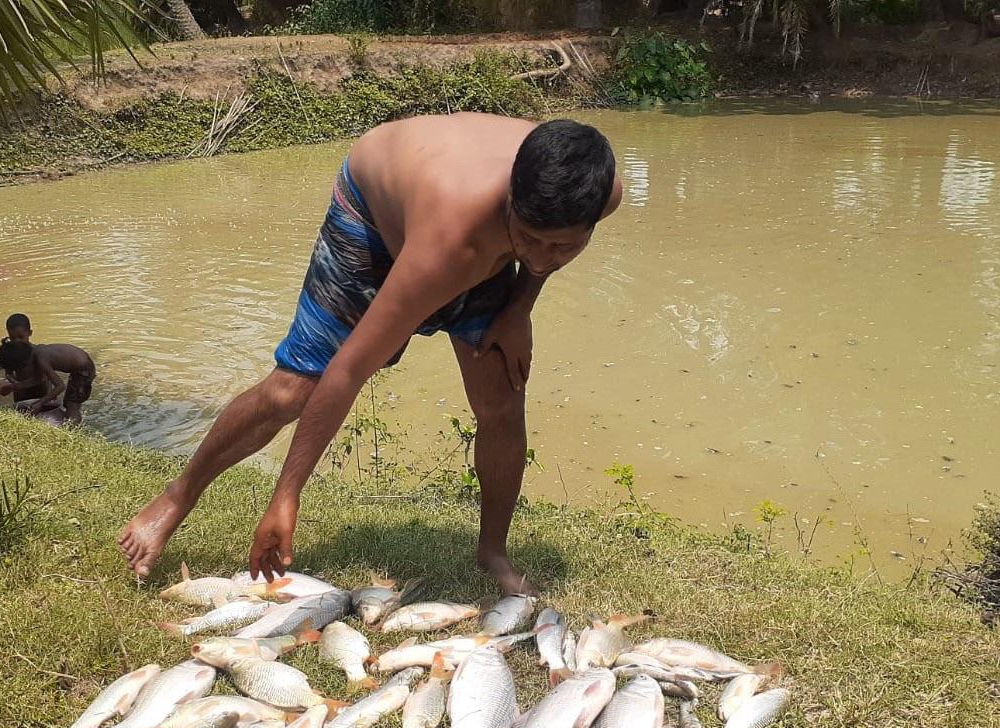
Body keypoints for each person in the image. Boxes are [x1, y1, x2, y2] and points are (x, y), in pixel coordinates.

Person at [119, 113, 622, 593]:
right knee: (292, 391)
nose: (539, 258)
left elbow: (537, 252)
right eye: (529, 239)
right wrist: (287, 494)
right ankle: (176, 498)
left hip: (473, 237)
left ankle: (492, 552)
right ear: (511, 197)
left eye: (563, 248)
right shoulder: (449, 239)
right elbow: (348, 371)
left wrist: (518, 309)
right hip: (374, 220)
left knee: (503, 400)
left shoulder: (603, 191)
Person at [0, 337, 97, 425]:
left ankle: (73, 432)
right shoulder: (35, 352)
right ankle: (70, 425)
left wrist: (40, 403)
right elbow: (39, 378)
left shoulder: (41, 359)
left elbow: (60, 386)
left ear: (24, 363)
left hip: (84, 371)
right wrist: (13, 387)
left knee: (72, 405)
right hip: (81, 367)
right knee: (68, 403)